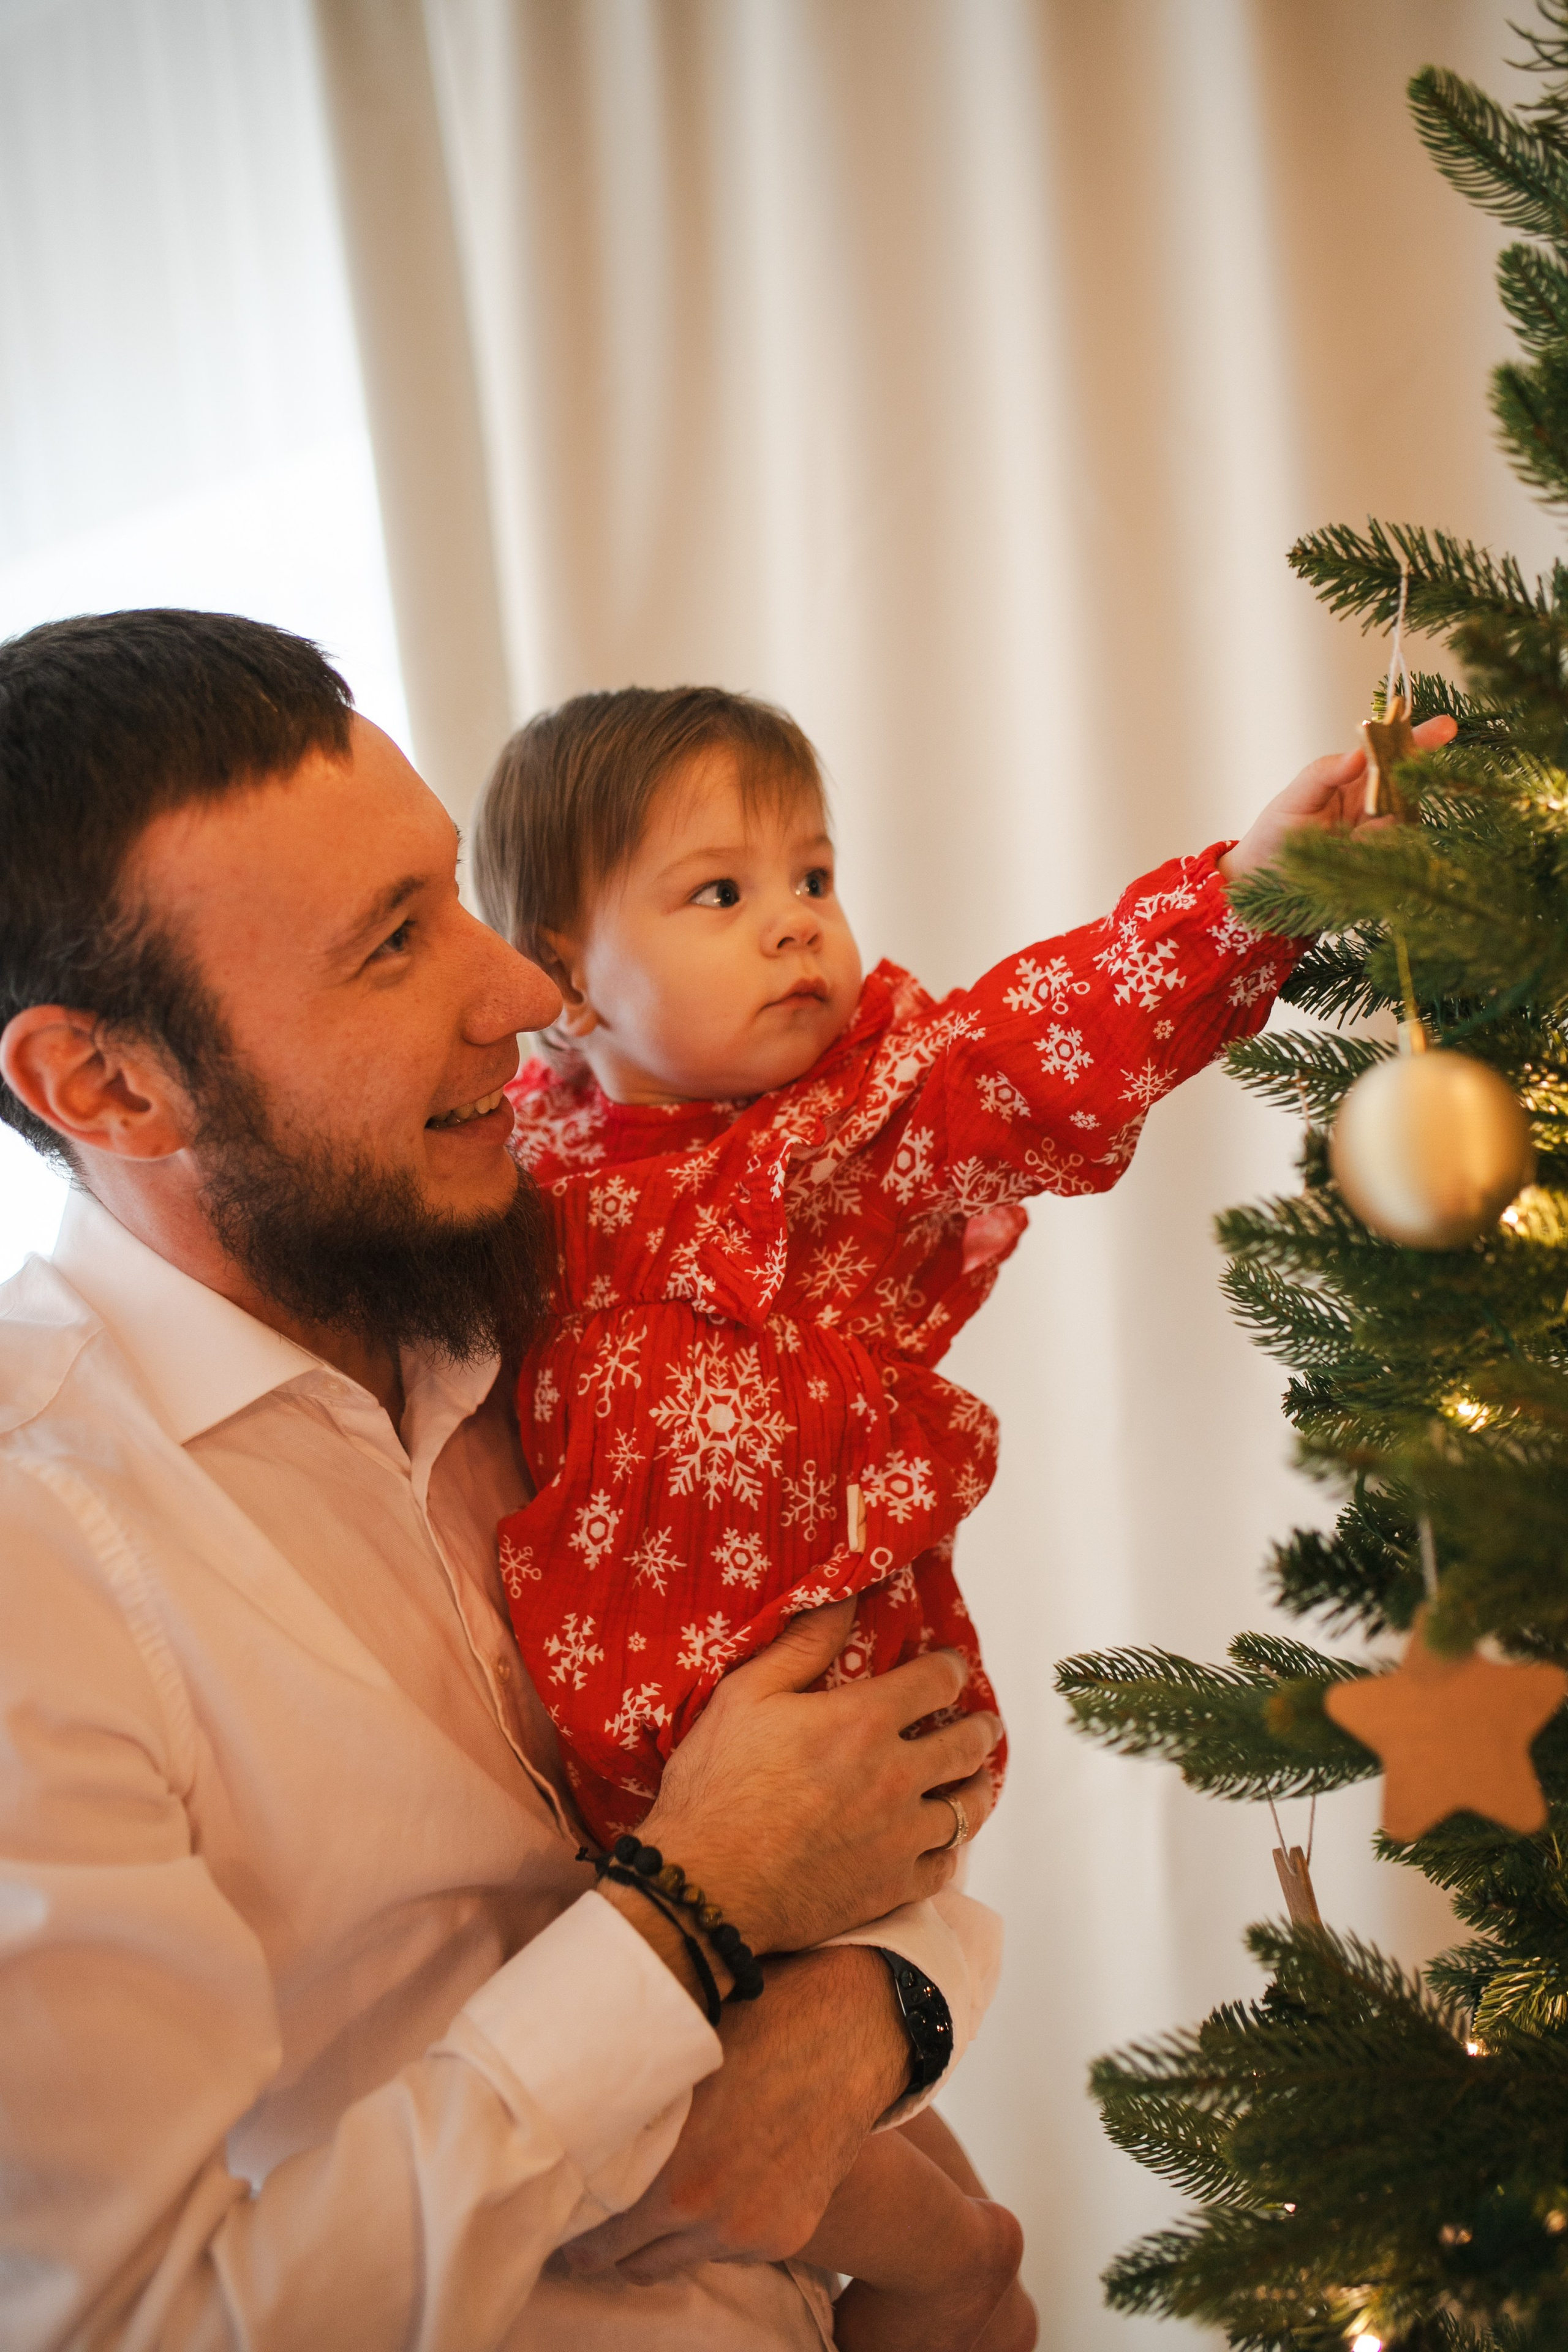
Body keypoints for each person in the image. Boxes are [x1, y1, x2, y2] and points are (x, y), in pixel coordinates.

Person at [0, 609, 1013, 2352]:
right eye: (395, 945)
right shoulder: (44, 1561)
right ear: (107, 1083)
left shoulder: (549, 1296)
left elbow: (848, 1782)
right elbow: (141, 2327)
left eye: (450, 892)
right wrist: (685, 1919)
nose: (527, 993)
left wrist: (873, 2008)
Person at [470, 680, 1458, 2349]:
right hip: (629, 1810)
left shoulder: (853, 1134)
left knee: (841, 2186)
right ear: (561, 975)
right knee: (843, 2160)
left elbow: (1038, 1043)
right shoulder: (517, 1174)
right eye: (723, 892)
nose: (796, 926)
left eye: (814, 877)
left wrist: (1247, 900)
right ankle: (954, 2268)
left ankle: (944, 2277)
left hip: (838, 1762)